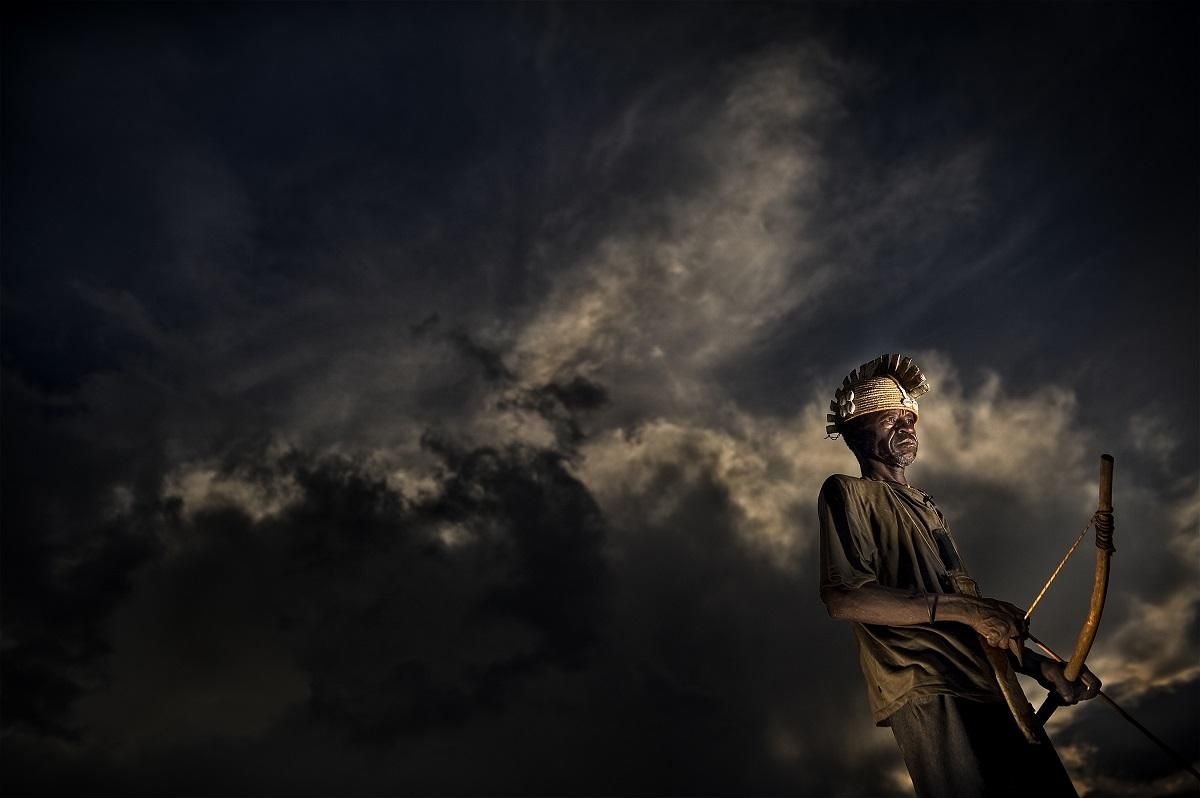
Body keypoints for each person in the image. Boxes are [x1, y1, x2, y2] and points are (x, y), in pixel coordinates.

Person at [818, 354, 1100, 798]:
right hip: (928, 684)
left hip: (994, 683)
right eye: (889, 419)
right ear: (857, 431)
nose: (905, 427)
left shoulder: (928, 508)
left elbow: (968, 616)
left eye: (909, 419)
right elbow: (844, 597)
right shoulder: (849, 491)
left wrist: (1042, 667)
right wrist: (968, 609)